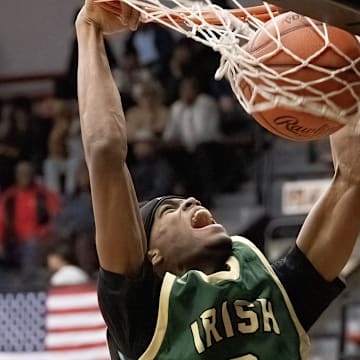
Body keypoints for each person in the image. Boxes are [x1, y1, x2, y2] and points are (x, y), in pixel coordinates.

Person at [76, 2, 360, 359]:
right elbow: (105, 153)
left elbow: (351, 178)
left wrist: (342, 66)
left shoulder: (273, 291)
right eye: (169, 210)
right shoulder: (139, 315)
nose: (191, 202)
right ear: (151, 256)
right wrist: (88, 28)